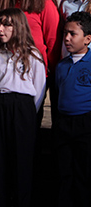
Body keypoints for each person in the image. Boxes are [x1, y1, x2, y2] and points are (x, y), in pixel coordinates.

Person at [0, 8, 46, 207]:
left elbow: (39, 89)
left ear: (19, 27)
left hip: (23, 108)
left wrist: (27, 113)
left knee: (22, 159)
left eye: (6, 25)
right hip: (2, 105)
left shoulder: (33, 55)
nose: (0, 29)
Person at [55, 12, 91, 207]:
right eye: (65, 33)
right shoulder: (61, 66)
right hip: (64, 124)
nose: (67, 38)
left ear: (87, 39)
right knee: (64, 172)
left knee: (83, 174)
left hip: (85, 124)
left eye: (73, 34)